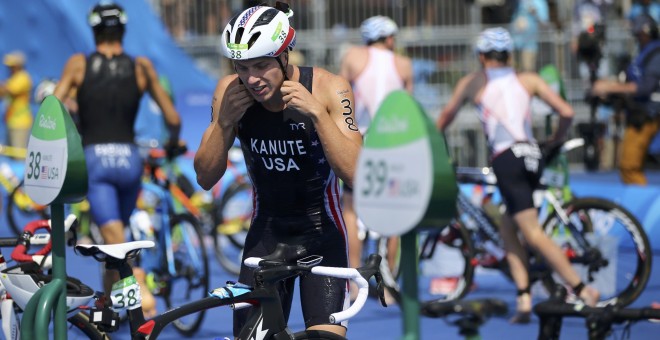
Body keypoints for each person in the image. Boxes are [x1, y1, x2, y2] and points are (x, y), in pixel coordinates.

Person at [193, 3, 362, 337]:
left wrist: (318, 116)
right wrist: (224, 122)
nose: (251, 79)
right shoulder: (230, 91)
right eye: (241, 67)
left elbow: (357, 174)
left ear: (285, 56)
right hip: (265, 240)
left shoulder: (329, 87)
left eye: (260, 66)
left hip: (321, 235)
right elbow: (205, 176)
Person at [436, 27, 599, 324]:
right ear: (509, 55)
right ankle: (524, 300)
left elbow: (443, 120)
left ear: (481, 57)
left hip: (507, 158)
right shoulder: (528, 78)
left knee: (532, 233)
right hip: (532, 154)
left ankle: (582, 289)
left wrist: (430, 147)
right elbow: (566, 112)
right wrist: (554, 141)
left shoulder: (474, 81)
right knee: (509, 228)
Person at [53, 2, 181, 318]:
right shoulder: (141, 67)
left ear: (94, 31)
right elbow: (173, 117)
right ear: (123, 30)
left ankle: (144, 298)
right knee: (114, 241)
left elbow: (52, 109)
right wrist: (173, 143)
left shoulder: (79, 65)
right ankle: (109, 310)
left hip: (96, 161)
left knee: (117, 243)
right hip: (129, 161)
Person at [338, 15, 412, 300]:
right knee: (393, 215)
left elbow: (340, 98)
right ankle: (388, 286)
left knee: (352, 211)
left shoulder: (354, 57)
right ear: (390, 38)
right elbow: (408, 112)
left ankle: (354, 284)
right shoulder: (402, 64)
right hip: (392, 141)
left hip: (361, 139)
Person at [591, 14, 660, 185]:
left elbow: (645, 87)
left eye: (639, 33)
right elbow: (631, 81)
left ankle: (644, 209)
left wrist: (610, 87)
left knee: (629, 167)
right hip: (638, 112)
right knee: (629, 166)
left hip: (647, 114)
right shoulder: (643, 52)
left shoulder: (655, 53)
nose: (637, 37)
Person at [0, 51, 33, 151]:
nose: (9, 68)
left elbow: (9, 90)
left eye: (12, 66)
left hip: (21, 124)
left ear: (18, 65)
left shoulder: (23, 77)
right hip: (11, 122)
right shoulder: (12, 79)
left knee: (19, 156)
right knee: (10, 154)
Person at [509, 0, 549, 72]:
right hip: (514, 44)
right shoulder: (517, 2)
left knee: (528, 71)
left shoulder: (539, 2)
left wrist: (535, 13)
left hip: (529, 46)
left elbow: (544, 23)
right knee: (514, 72)